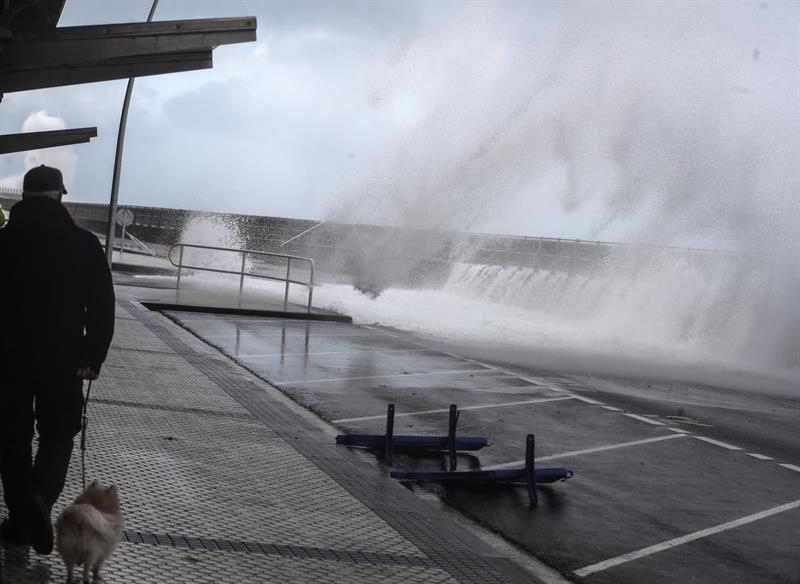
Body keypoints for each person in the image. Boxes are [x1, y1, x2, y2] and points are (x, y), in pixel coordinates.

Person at [0, 165, 115, 555]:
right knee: (59, 431)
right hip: (63, 359)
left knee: (11, 437)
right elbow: (102, 307)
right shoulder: (83, 244)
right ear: (60, 196)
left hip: (8, 358)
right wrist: (92, 357)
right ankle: (40, 496)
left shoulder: (3, 241)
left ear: (24, 196)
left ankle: (19, 519)